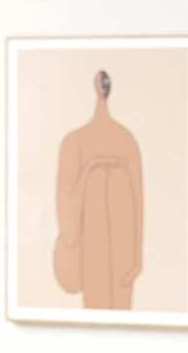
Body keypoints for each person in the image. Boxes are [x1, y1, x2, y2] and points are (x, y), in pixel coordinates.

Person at [53, 70, 143, 311]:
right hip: (93, 243)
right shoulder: (76, 142)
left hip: (123, 242)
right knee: (97, 310)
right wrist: (91, 170)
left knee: (123, 314)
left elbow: (138, 200)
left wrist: (137, 257)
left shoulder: (125, 140)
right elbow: (65, 202)